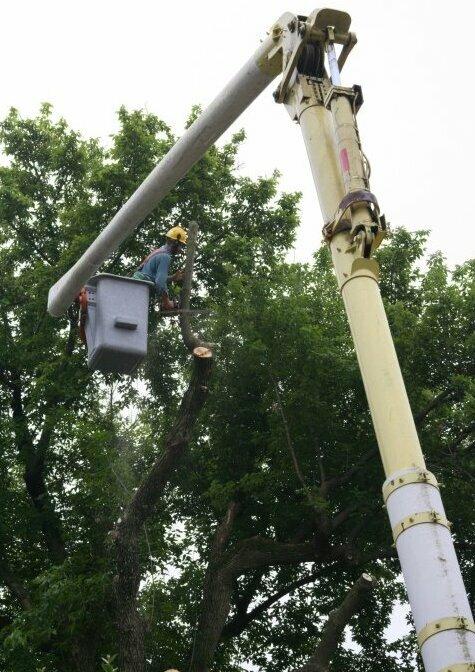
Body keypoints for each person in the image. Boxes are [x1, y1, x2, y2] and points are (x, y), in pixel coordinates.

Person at [133, 226, 187, 310]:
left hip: (136, 285)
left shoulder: (159, 251)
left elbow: (153, 277)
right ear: (175, 243)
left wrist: (172, 278)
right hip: (139, 289)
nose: (181, 249)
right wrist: (167, 302)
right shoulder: (165, 257)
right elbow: (160, 283)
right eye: (181, 246)